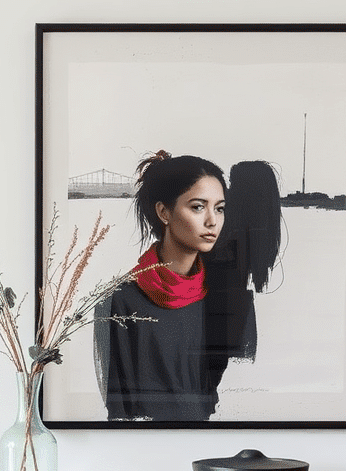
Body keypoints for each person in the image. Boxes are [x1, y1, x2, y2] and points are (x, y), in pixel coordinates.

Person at [94, 150, 227, 422]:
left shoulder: (217, 297)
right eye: (198, 207)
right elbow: (118, 405)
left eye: (219, 208)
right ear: (164, 212)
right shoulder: (120, 299)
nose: (212, 221)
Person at [203, 160, 283, 397]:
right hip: (234, 312)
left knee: (200, 385)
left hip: (211, 311)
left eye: (232, 183)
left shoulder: (227, 227)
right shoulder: (258, 227)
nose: (227, 189)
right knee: (209, 384)